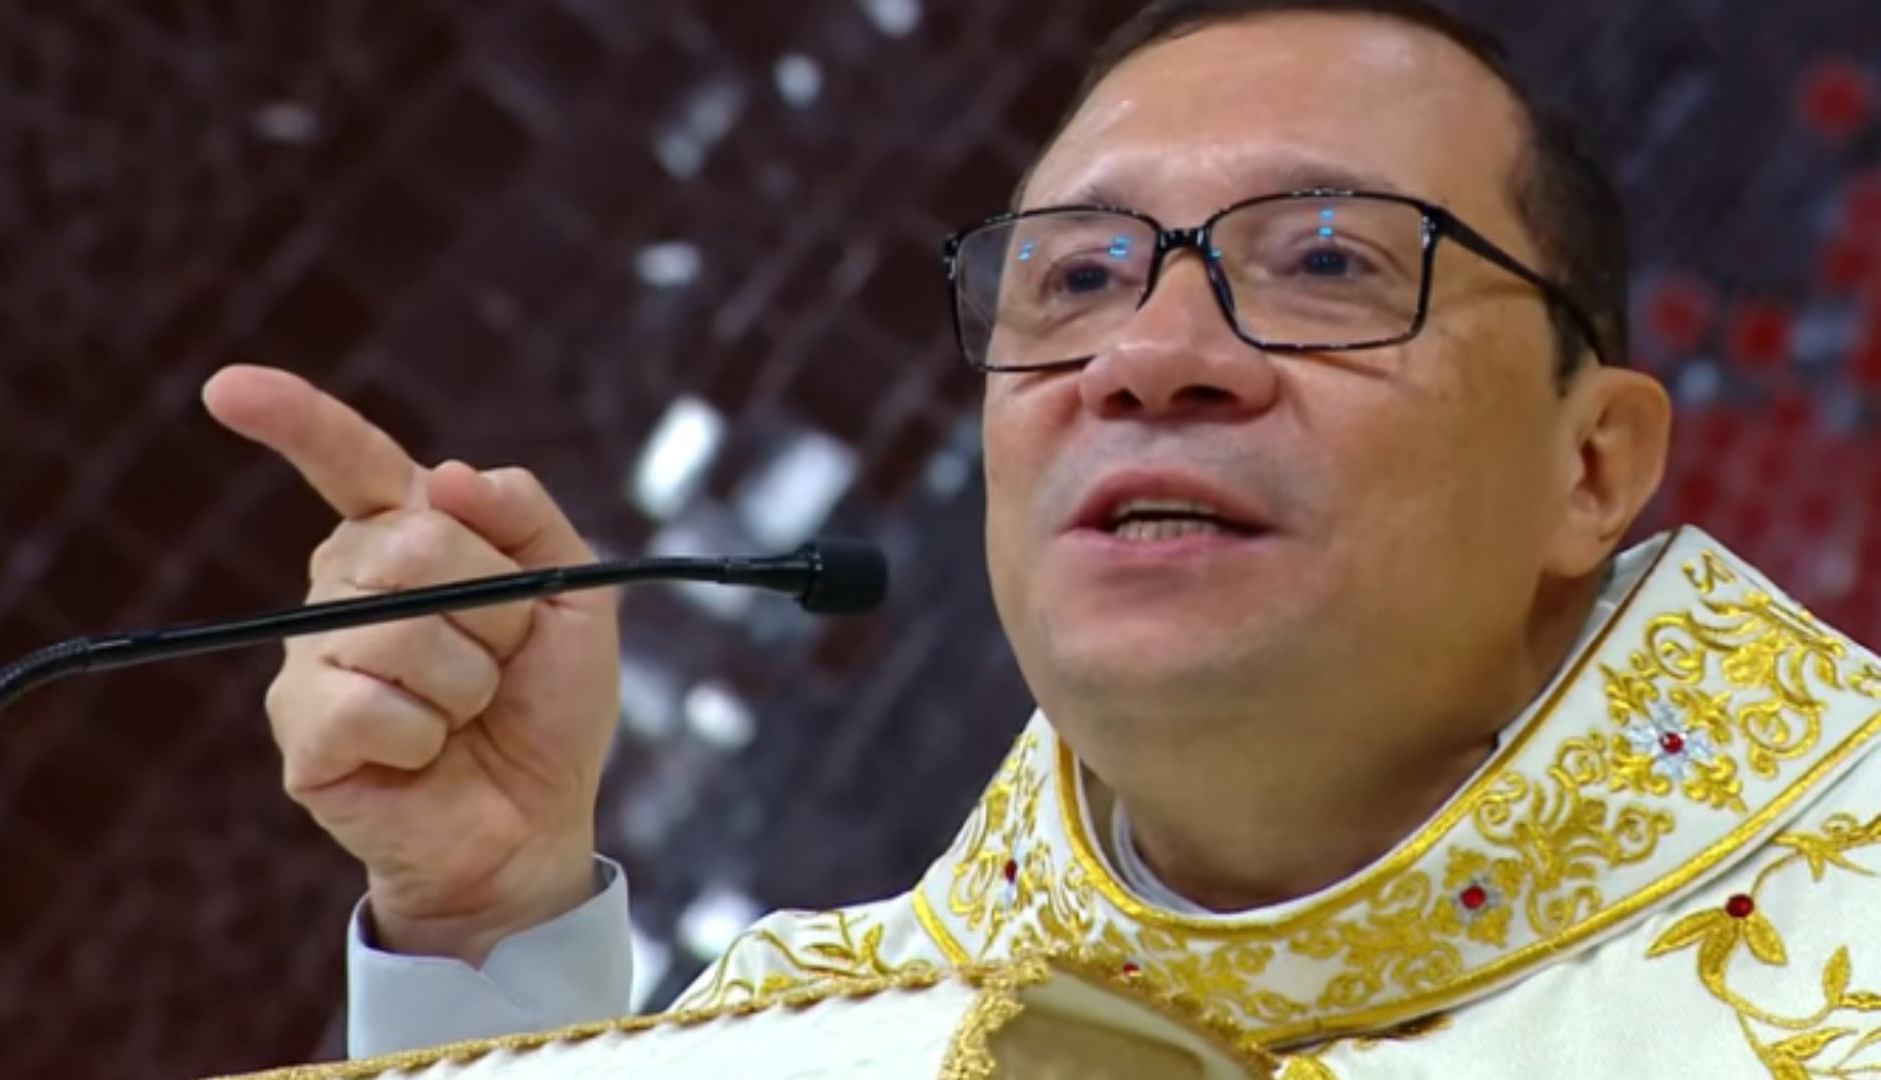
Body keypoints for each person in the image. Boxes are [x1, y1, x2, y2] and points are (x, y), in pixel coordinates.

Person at [202, 0, 1881, 1075]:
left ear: (1594, 463)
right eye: (1073, 280)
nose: (1151, 358)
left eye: (1328, 262)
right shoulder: (823, 1028)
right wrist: (489, 927)